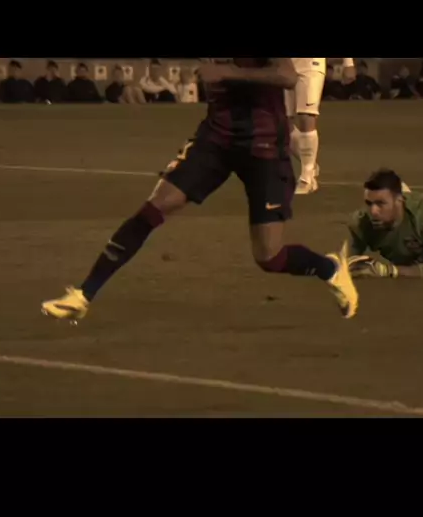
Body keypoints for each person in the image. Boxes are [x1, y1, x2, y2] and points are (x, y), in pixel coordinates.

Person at [41, 58, 359, 323]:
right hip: (215, 140)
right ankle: (83, 295)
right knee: (155, 206)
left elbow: (287, 76)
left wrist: (228, 73)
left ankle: (329, 268)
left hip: (264, 146)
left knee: (269, 257)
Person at [348, 169, 423, 278]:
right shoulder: (361, 224)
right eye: (369, 203)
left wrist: (388, 270)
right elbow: (346, 265)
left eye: (380, 203)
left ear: (399, 201)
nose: (373, 212)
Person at [285, 57, 356, 195]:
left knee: (306, 116)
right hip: (285, 65)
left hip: (310, 64)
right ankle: (310, 164)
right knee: (281, 123)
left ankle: (307, 177)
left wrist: (348, 63)